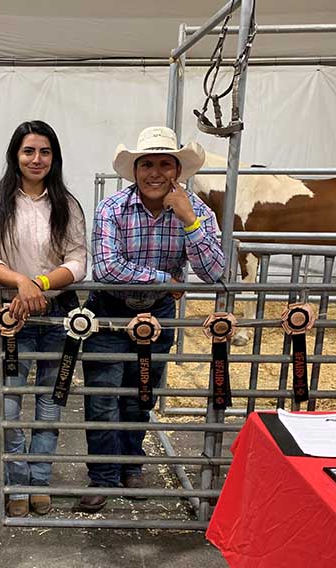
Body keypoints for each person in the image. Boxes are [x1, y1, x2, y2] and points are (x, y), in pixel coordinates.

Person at [78, 126, 226, 512]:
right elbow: (108, 269)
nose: (155, 173)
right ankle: (103, 475)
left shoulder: (196, 211)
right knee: (102, 398)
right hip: (109, 311)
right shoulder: (111, 208)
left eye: (165, 164)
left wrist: (190, 221)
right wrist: (167, 280)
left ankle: (131, 465)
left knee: (141, 393)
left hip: (157, 314)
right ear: (135, 169)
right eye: (147, 164)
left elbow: (214, 272)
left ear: (177, 170)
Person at [0, 121, 87, 517]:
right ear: (15, 155)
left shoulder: (68, 205)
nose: (36, 159)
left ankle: (39, 480)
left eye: (44, 152)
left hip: (57, 314)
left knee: (49, 402)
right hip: (11, 314)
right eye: (29, 151)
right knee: (8, 405)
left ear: (54, 157)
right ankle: (15, 480)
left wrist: (38, 284)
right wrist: (21, 284)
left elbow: (78, 261)